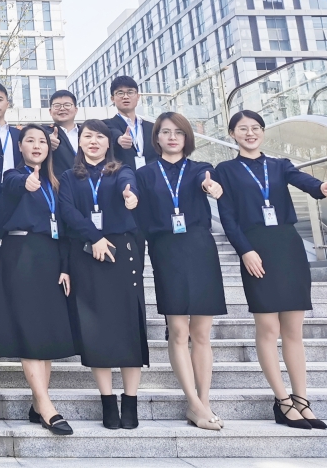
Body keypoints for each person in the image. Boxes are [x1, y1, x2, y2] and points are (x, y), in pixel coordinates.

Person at [216, 110, 327, 430]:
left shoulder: (280, 165)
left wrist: (322, 188)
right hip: (255, 247)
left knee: (294, 331)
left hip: (288, 246)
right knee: (269, 329)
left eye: (255, 128)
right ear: (232, 134)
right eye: (243, 128)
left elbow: (305, 182)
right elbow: (227, 215)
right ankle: (283, 401)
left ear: (263, 131)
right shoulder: (225, 170)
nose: (250, 133)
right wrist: (245, 251)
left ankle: (302, 400)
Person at [134, 112, 228, 431]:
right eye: (165, 132)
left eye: (179, 132)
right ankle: (193, 403)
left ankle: (204, 401)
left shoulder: (200, 168)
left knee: (201, 332)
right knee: (177, 329)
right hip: (166, 249)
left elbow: (207, 180)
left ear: (187, 137)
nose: (172, 137)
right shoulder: (145, 174)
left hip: (200, 247)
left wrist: (210, 186)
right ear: (156, 138)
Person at [58, 119, 146, 430]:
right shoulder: (69, 176)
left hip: (122, 254)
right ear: (79, 142)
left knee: (128, 327)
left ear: (108, 143)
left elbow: (129, 185)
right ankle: (108, 401)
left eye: (99, 136)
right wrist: (94, 237)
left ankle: (130, 401)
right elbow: (67, 211)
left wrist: (130, 195)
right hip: (87, 253)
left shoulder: (121, 170)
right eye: (87, 136)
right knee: (96, 329)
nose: (93, 141)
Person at [0, 125, 75, 436]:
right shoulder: (13, 176)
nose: (37, 145)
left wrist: (65, 266)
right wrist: (26, 182)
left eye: (42, 140)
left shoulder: (57, 182)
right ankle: (47, 406)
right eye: (30, 140)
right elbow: (14, 185)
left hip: (50, 255)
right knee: (28, 329)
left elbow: (64, 228)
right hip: (21, 254)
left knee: (45, 330)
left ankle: (37, 402)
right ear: (20, 146)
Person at [103, 76, 157, 172]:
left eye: (130, 92)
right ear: (112, 98)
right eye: (120, 93)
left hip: (151, 178)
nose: (125, 96)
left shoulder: (153, 127)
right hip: (123, 178)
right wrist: (119, 139)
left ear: (138, 96)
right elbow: (112, 132)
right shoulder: (105, 125)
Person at [45, 90, 80, 179]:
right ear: (50, 111)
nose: (62, 108)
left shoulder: (87, 132)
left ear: (76, 110)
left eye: (67, 105)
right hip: (59, 184)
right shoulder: (44, 133)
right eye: (57, 106)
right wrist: (45, 141)